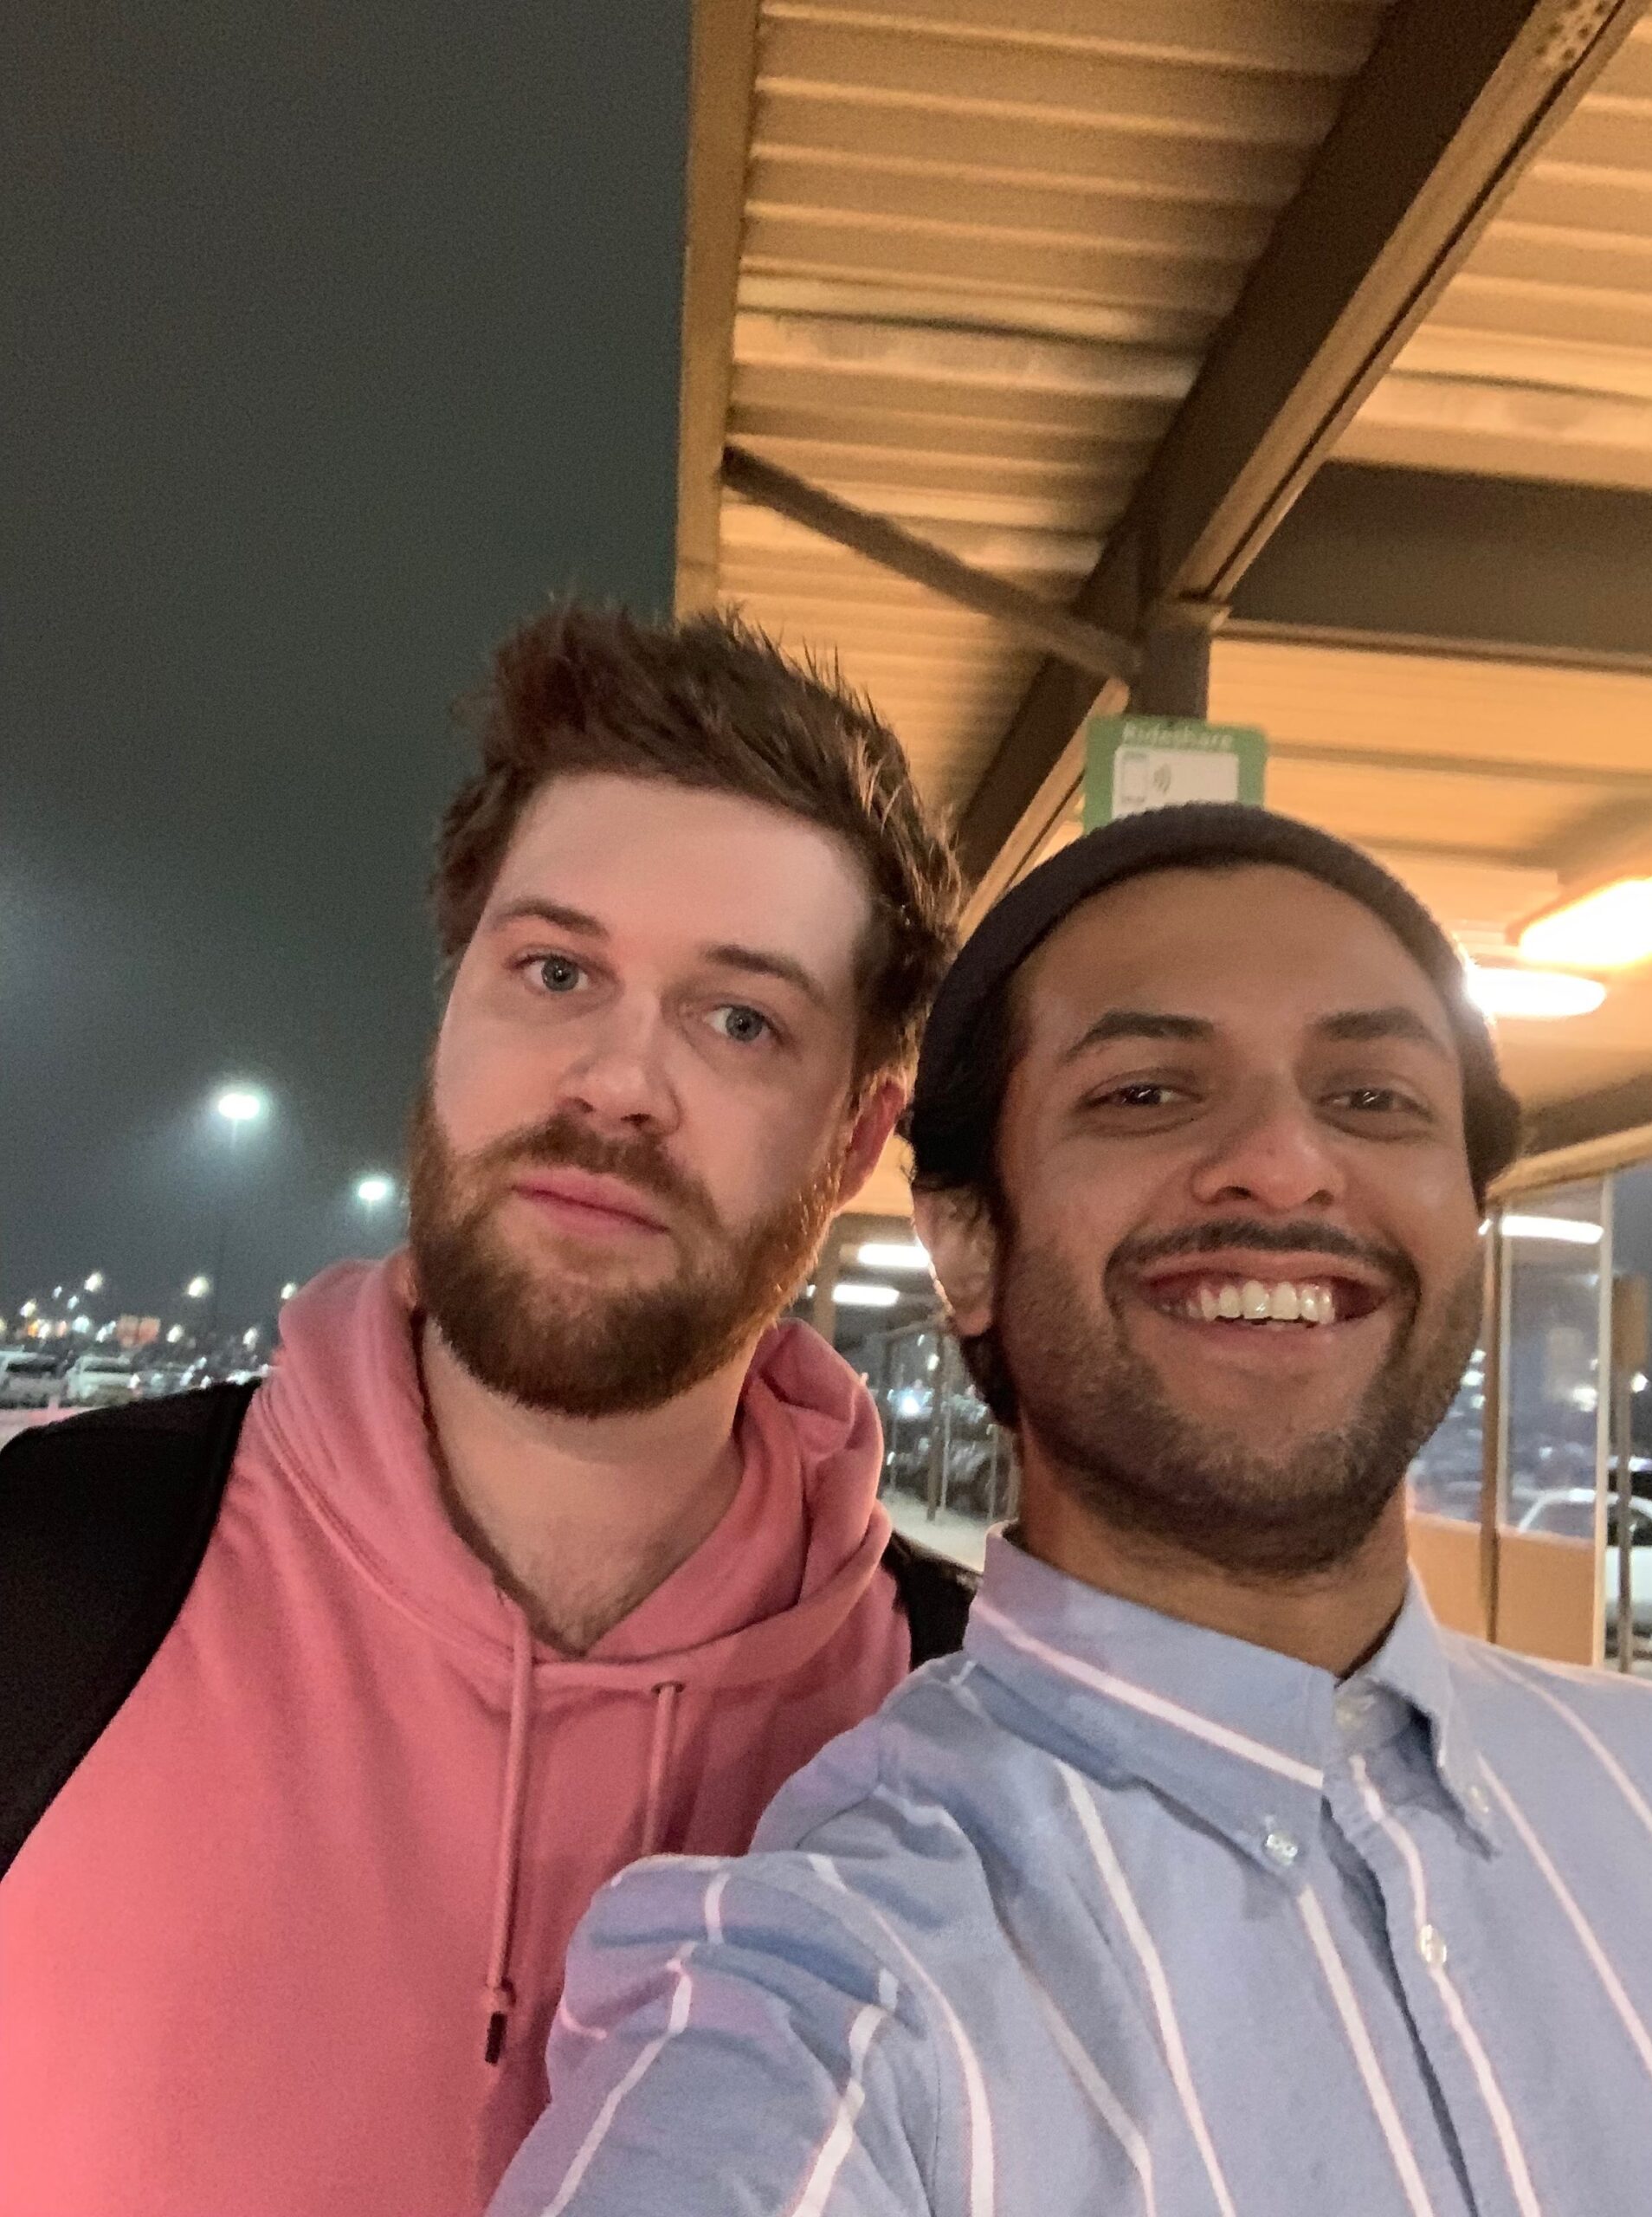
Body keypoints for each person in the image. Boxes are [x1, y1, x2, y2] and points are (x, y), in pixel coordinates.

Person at [491, 805, 1652, 2217]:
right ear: (966, 1247)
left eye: (1374, 1098)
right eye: (1147, 1093)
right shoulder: (839, 1983)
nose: (1286, 1160)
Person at [0, 604, 963, 2217]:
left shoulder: (956, 1742)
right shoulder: (47, 1579)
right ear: (453, 1009)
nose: (617, 1080)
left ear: (857, 1139)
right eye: (555, 970)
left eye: (741, 1019)